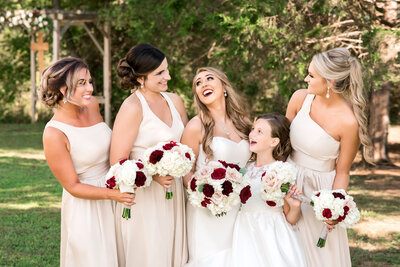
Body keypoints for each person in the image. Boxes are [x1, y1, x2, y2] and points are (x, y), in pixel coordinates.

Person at [39, 57, 134, 267]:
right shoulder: (54, 133)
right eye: (81, 83)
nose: (90, 88)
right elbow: (72, 186)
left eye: (89, 81)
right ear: (63, 89)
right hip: (87, 208)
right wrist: (113, 195)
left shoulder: (92, 107)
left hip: (115, 195)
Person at [286, 47, 372, 267]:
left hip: (318, 191)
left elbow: (343, 171)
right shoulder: (299, 98)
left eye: (312, 75)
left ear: (330, 83)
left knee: (316, 257)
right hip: (287, 181)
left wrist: (333, 208)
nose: (306, 78)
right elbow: (281, 142)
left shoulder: (348, 122)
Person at [110, 43, 189, 267]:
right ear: (140, 78)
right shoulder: (132, 107)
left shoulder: (174, 101)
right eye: (160, 73)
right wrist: (153, 175)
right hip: (144, 198)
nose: (169, 77)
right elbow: (117, 161)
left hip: (174, 195)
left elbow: (187, 146)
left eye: (167, 69)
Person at [181, 67, 252, 267]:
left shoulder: (244, 122)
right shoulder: (196, 126)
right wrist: (203, 195)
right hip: (207, 211)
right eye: (198, 83)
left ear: (224, 86)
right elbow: (186, 169)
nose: (204, 84)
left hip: (240, 209)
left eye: (209, 78)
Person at [229, 114, 306, 267]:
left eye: (260, 132)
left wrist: (295, 206)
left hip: (271, 231)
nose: (252, 134)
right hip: (245, 230)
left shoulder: (280, 170)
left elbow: (290, 218)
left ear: (274, 141)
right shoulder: (245, 169)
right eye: (253, 129)